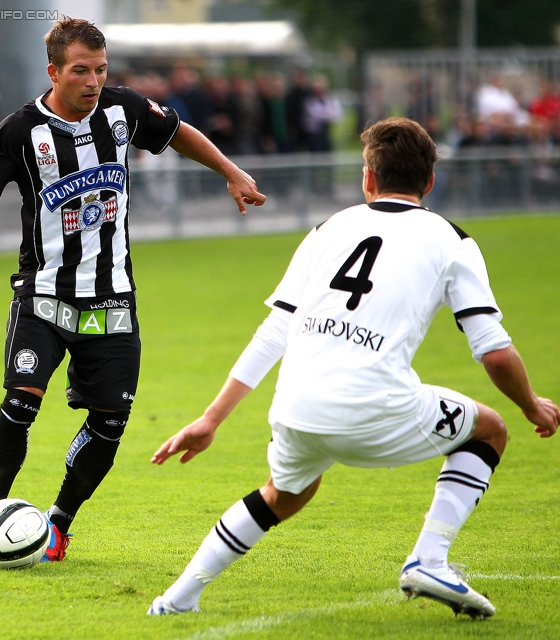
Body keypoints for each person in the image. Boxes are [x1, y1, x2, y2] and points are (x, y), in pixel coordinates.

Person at [147, 117, 559, 619]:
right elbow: (492, 351)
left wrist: (210, 419)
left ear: (368, 178)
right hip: (375, 407)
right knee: (489, 430)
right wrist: (532, 406)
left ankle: (177, 598)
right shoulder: (452, 241)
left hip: (296, 406)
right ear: (429, 182)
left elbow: (274, 331)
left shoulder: (329, 227)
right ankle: (429, 559)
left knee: (285, 494)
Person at [0, 17, 265, 563]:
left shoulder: (123, 109)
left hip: (111, 298)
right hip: (43, 295)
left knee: (110, 420)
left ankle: (58, 525)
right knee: (20, 403)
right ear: (54, 73)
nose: (92, 81)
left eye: (100, 70)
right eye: (81, 71)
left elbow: (178, 132)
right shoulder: (18, 131)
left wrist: (230, 171)